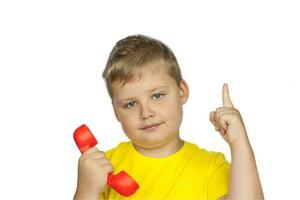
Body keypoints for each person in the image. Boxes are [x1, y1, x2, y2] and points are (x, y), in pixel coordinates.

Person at [74, 34, 264, 199]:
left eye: (157, 95)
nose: (146, 113)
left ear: (181, 92)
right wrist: (86, 191)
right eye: (130, 104)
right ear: (116, 111)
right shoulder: (104, 167)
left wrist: (239, 144)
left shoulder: (211, 167)